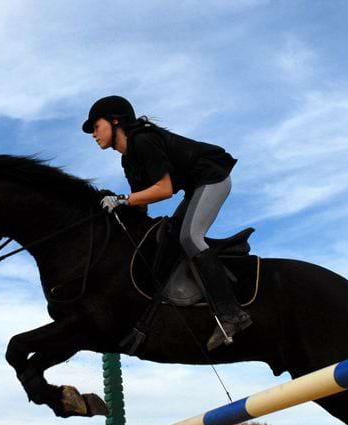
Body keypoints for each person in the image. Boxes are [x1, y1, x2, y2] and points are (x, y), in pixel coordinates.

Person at [82, 95, 252, 351]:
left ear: (115, 121)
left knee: (190, 237)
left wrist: (121, 200)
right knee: (172, 233)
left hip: (214, 177)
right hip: (196, 186)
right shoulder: (128, 159)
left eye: (96, 126)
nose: (93, 134)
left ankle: (231, 314)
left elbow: (164, 189)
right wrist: (112, 212)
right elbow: (141, 203)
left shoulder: (143, 140)